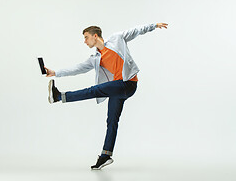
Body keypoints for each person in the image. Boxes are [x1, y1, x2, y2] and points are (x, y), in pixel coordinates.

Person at [44, 23, 168, 170]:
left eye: (86, 37)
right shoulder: (96, 58)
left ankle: (58, 96)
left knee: (93, 90)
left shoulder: (117, 39)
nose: (85, 41)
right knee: (112, 121)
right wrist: (56, 72)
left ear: (95, 36)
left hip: (128, 84)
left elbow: (136, 31)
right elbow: (78, 68)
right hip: (117, 88)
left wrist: (154, 26)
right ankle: (106, 156)